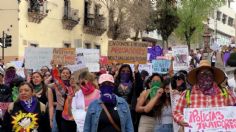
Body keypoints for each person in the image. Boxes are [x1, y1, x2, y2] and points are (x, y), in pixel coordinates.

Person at [173, 60, 236, 128]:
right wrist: (182, 120)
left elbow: (234, 110)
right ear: (197, 77)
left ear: (213, 77)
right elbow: (176, 112)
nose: (205, 78)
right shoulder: (187, 94)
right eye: (202, 75)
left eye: (208, 75)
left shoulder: (225, 93)